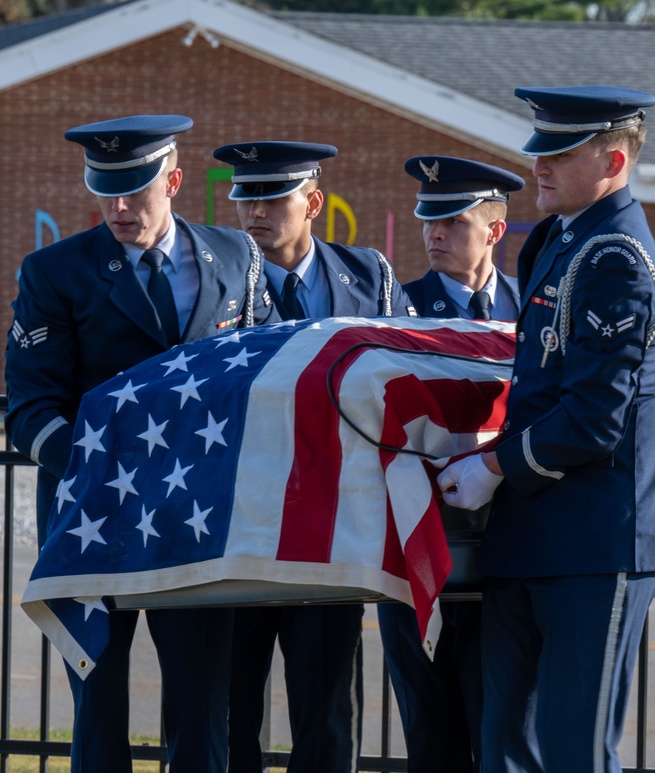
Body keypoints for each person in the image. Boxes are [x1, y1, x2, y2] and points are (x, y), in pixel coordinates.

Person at [4, 115, 277, 773]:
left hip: (199, 517)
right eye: (105, 190)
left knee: (201, 701)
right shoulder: (54, 271)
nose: (118, 208)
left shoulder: (237, 257)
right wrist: (99, 464)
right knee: (97, 708)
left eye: (135, 190)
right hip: (97, 517)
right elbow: (30, 404)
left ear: (175, 180)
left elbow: (265, 376)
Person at [435, 85, 655, 772]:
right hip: (538, 530)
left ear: (612, 159)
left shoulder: (617, 259)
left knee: (574, 746)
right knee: (506, 744)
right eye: (538, 149)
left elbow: (594, 419)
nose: (538, 166)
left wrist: (491, 467)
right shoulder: (557, 238)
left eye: (558, 152)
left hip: (596, 534)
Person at [212, 139, 412, 773]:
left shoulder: (369, 276)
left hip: (333, 528)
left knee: (327, 718)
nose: (254, 213)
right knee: (229, 708)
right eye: (245, 198)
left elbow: (402, 381)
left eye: (272, 199)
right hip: (240, 526)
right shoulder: (217, 280)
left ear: (313, 202)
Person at [378, 155, 523, 773]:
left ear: (493, 231)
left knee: (503, 732)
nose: (433, 234)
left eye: (452, 222)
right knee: (433, 739)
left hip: (508, 552)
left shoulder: (534, 309)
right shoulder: (394, 310)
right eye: (427, 221)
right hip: (420, 547)